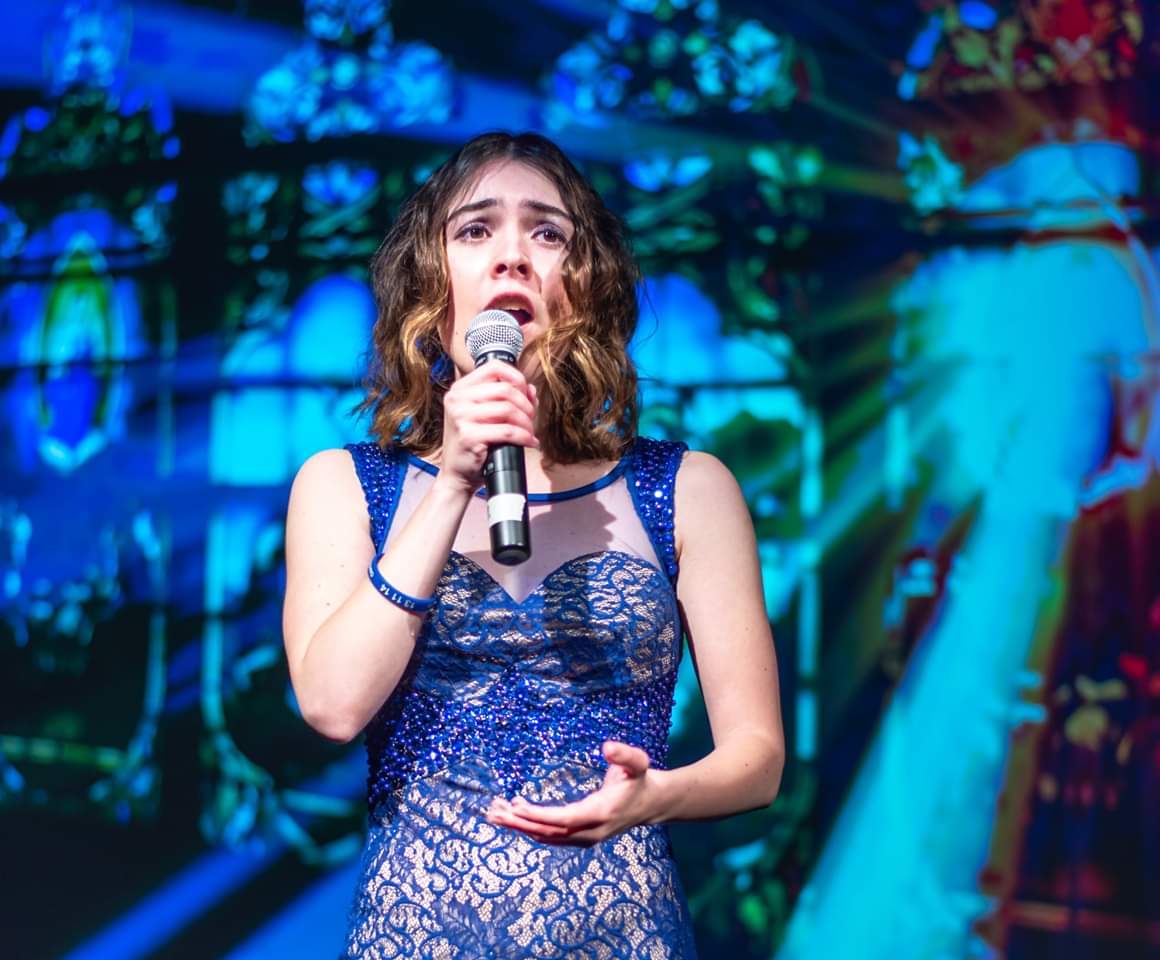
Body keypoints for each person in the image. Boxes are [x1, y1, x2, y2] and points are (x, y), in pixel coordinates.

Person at [282, 131, 784, 958]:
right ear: (432, 283)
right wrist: (451, 482)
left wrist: (656, 796)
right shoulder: (346, 486)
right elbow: (333, 705)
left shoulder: (688, 489)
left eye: (547, 233)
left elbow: (757, 759)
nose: (513, 255)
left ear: (586, 286)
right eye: (476, 230)